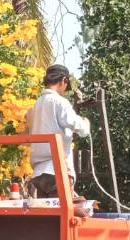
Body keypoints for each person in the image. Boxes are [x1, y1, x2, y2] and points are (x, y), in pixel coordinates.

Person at [25, 64, 90, 199]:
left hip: (39, 174)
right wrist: (86, 124)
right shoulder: (59, 102)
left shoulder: (36, 106)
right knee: (63, 217)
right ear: (63, 81)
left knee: (49, 217)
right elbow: (78, 126)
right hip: (58, 171)